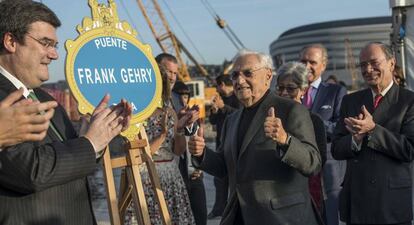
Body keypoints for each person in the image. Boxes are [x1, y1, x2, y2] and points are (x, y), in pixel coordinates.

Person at [0, 1, 132, 224]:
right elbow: (31, 170)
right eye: (45, 43)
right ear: (11, 41)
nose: (54, 55)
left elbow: (70, 160)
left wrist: (96, 134)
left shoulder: (44, 98)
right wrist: (90, 143)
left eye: (55, 45)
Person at [188, 50, 321, 225]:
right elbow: (224, 167)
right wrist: (201, 153)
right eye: (235, 75)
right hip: (239, 216)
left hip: (281, 217)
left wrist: (285, 140)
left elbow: (313, 163)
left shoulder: (291, 110)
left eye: (247, 73)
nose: (239, 80)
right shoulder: (232, 120)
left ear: (268, 76)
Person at [332, 42, 414, 225]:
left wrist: (373, 130)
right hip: (357, 202)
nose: (368, 69)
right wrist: (355, 140)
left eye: (374, 63)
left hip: (391, 203)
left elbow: (409, 149)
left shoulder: (408, 101)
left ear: (391, 63)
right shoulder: (350, 101)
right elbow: (336, 149)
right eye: (363, 65)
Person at [125, 68, 195, 225]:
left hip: (171, 173)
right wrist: (162, 135)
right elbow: (141, 154)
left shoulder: (170, 112)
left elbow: (178, 150)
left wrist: (179, 130)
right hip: (146, 174)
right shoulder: (137, 115)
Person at [300, 43, 347, 225]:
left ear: (323, 65)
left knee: (330, 215)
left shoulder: (336, 92)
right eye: (303, 61)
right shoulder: (289, 93)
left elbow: (340, 127)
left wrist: (311, 121)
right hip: (298, 164)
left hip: (328, 166)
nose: (307, 66)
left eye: (312, 62)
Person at [275, 61, 327, 216]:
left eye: (290, 88)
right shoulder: (271, 119)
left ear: (303, 90)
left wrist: (287, 142)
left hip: (305, 194)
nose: (284, 93)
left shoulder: (314, 120)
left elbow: (319, 161)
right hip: (273, 195)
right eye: (280, 88)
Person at [173, 80, 207, 225]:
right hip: (176, 179)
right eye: (179, 96)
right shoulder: (168, 119)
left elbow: (198, 144)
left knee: (200, 217)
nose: (182, 100)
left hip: (195, 177)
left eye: (186, 96)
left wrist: (200, 167)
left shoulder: (194, 120)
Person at [208, 74, 240, 219]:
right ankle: (218, 209)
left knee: (234, 180)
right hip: (221, 143)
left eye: (217, 85)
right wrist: (214, 110)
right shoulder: (219, 99)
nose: (216, 89)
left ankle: (234, 211)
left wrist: (223, 107)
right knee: (219, 178)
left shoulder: (238, 97)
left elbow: (239, 115)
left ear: (223, 84)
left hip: (235, 144)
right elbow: (213, 121)